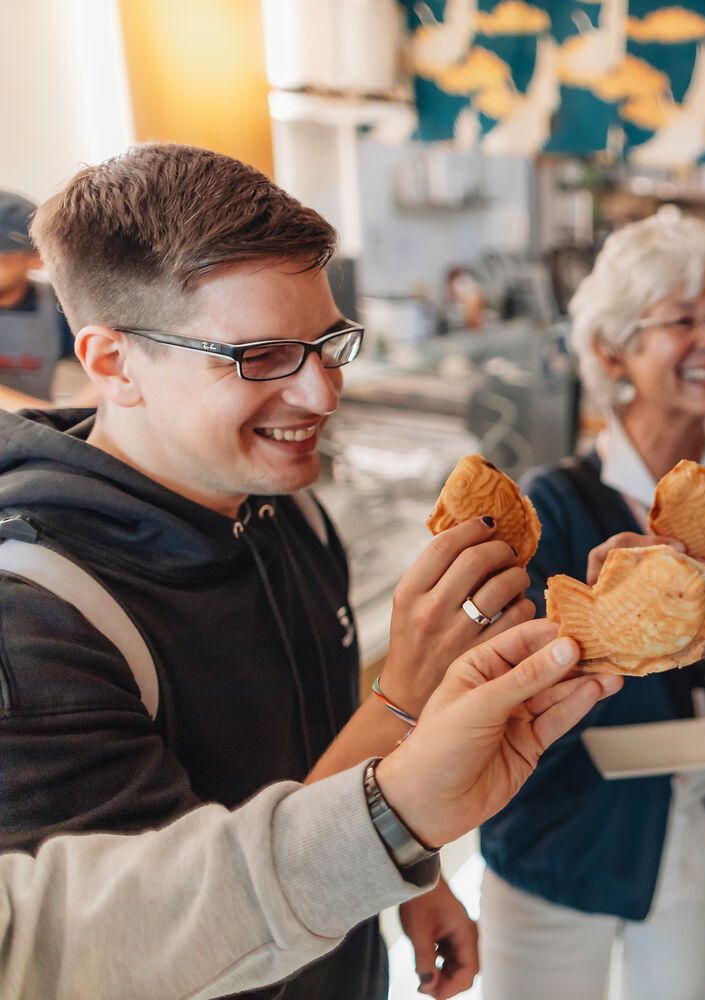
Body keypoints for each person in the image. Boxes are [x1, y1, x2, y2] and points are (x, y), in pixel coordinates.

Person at [0, 144, 533, 999]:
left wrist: (410, 872)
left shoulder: (287, 506)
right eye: (259, 357)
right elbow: (169, 950)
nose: (322, 395)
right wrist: (404, 694)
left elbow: (319, 779)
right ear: (112, 362)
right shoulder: (37, 620)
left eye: (327, 344)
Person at [477, 211, 705, 1000]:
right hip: (564, 838)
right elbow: (501, 682)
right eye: (682, 320)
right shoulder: (553, 505)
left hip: (699, 836)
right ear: (613, 350)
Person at [0, 620, 619, 1000]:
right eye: (254, 390)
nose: (321, 398)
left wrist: (403, 856)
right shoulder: (35, 617)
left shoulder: (299, 518)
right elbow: (160, 964)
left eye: (340, 390)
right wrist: (396, 793)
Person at [0, 191, 92, 411]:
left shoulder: (59, 307)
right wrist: (49, 415)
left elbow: (114, 358)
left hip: (34, 436)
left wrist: (72, 411)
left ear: (36, 258)